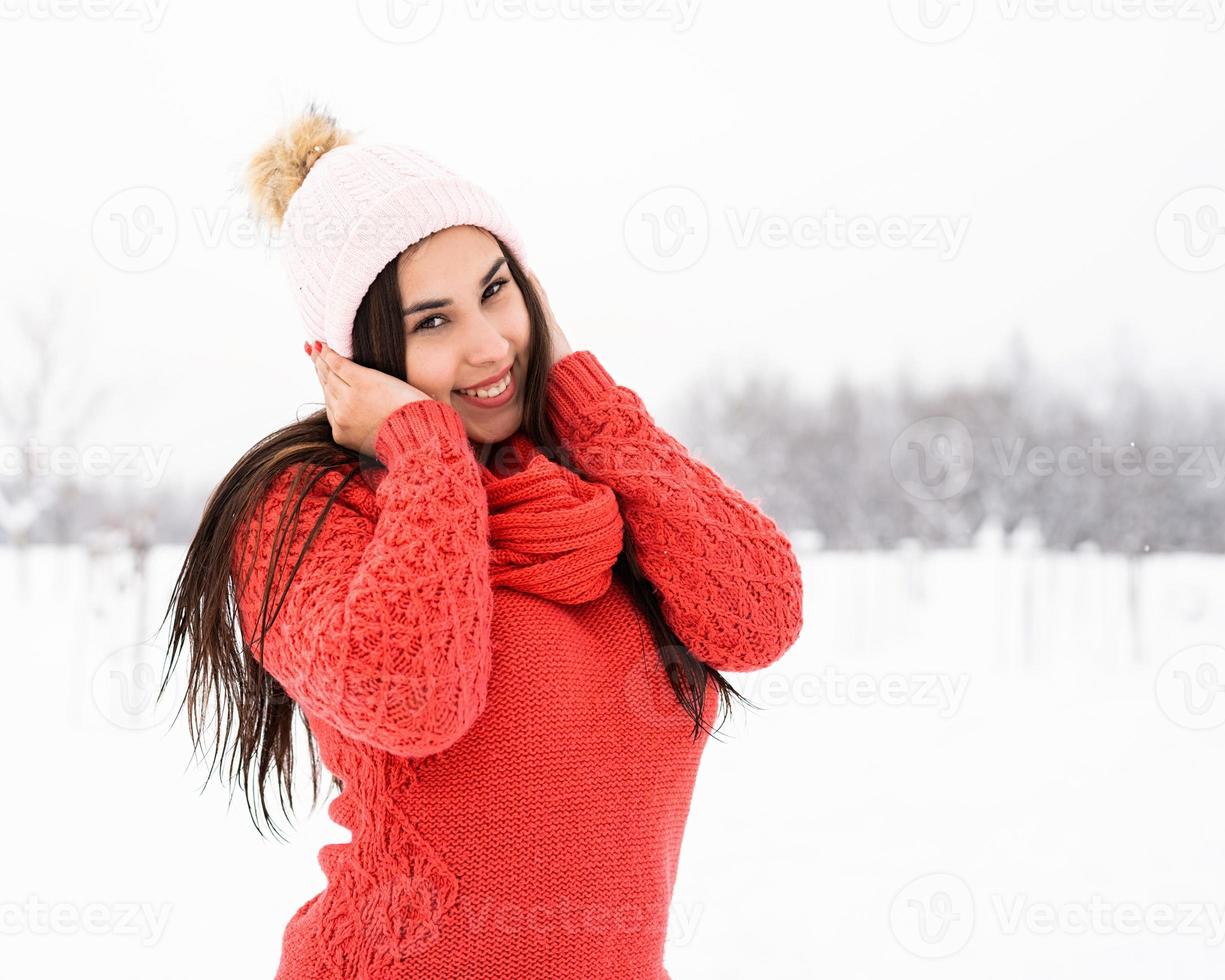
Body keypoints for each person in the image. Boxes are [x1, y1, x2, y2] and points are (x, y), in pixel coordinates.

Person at [160, 103, 804, 979]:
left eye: (496, 290)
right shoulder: (306, 509)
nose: (487, 345)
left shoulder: (593, 493)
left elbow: (756, 619)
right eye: (431, 321)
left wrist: (585, 398)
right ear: (356, 359)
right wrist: (425, 450)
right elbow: (409, 699)